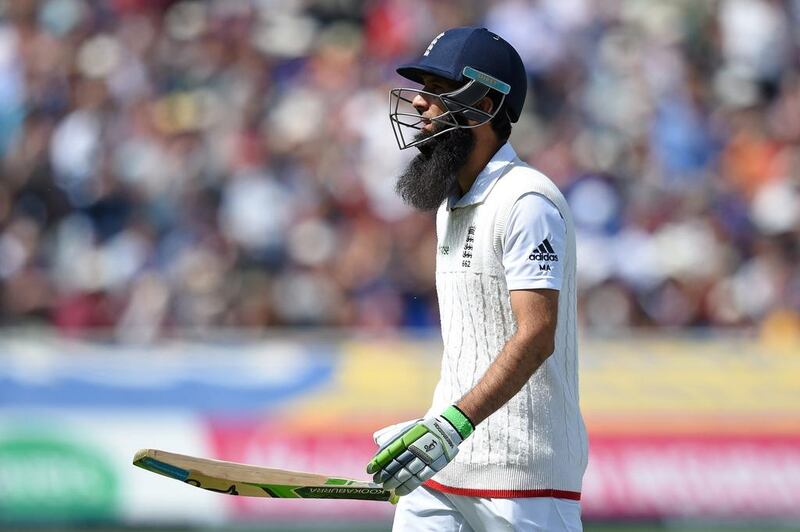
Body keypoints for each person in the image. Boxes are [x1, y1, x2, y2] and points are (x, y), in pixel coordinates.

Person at [366, 27, 588, 531]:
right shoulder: (450, 203)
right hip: (445, 467)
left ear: (484, 104)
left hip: (525, 477)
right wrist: (436, 424)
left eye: (437, 90)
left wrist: (452, 424)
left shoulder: (527, 200)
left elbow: (535, 335)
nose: (419, 102)